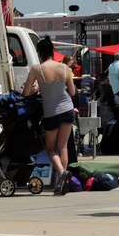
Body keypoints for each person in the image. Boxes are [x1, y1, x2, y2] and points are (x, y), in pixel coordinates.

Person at [23, 36, 76, 195]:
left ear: (39, 52)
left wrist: (37, 88)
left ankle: (61, 173)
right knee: (64, 146)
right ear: (52, 51)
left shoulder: (37, 69)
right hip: (67, 109)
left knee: (51, 148)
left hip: (51, 112)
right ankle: (62, 183)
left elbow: (26, 93)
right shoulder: (65, 68)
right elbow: (72, 92)